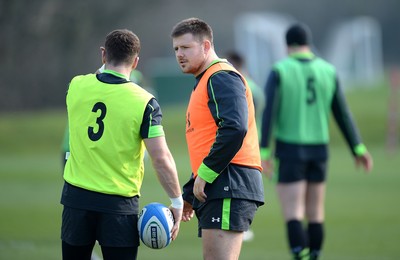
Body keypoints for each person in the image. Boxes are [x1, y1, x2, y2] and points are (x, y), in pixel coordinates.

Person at [61, 29, 183, 260]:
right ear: (136, 61)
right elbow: (160, 158)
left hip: (75, 199)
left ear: (103, 54)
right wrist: (176, 200)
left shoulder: (76, 86)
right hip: (118, 204)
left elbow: (99, 81)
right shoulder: (145, 102)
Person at [259, 23, 373, 260]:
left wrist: (265, 150)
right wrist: (358, 148)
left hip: (290, 149)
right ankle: (315, 255)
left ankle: (301, 255)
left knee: (293, 212)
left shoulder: (280, 69)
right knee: (316, 212)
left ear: (287, 45)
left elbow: (269, 110)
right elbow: (342, 113)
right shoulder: (328, 70)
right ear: (308, 44)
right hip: (319, 150)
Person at [171, 17, 265, 260]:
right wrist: (190, 194)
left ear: (205, 46)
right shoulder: (204, 80)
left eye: (185, 48)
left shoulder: (220, 76)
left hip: (229, 182)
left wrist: (207, 173)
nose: (179, 54)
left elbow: (234, 129)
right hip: (220, 183)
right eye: (176, 49)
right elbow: (208, 142)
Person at [225, 50, 265, 242]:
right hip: (248, 140)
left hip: (246, 142)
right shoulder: (252, 87)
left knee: (241, 185)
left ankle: (242, 225)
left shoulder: (244, 86)